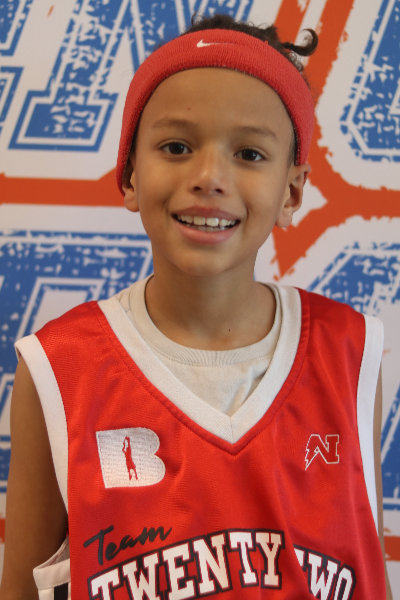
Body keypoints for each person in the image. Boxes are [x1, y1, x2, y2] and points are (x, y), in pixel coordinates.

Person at [1, 13, 392, 600]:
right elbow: (21, 588)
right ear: (130, 175)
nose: (209, 177)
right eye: (177, 147)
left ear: (292, 190)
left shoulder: (351, 353)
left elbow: (367, 571)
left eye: (249, 154)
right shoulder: (56, 367)